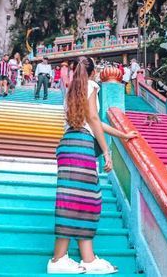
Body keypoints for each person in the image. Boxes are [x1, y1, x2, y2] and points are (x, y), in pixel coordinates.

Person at [47, 56, 138, 274]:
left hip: (68, 144)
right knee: (88, 200)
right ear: (93, 71)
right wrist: (107, 151)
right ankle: (60, 258)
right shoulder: (91, 85)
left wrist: (122, 135)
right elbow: (94, 119)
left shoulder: (72, 89)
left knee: (72, 200)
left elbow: (92, 120)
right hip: (82, 146)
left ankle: (84, 258)